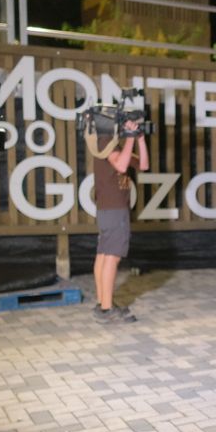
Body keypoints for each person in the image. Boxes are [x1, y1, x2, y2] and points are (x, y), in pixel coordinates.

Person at [89, 118, 148, 323]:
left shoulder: (110, 144)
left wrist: (139, 139)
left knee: (104, 255)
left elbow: (143, 164)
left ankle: (103, 303)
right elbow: (122, 165)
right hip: (114, 210)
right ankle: (106, 309)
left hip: (110, 209)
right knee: (111, 257)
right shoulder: (105, 142)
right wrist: (131, 139)